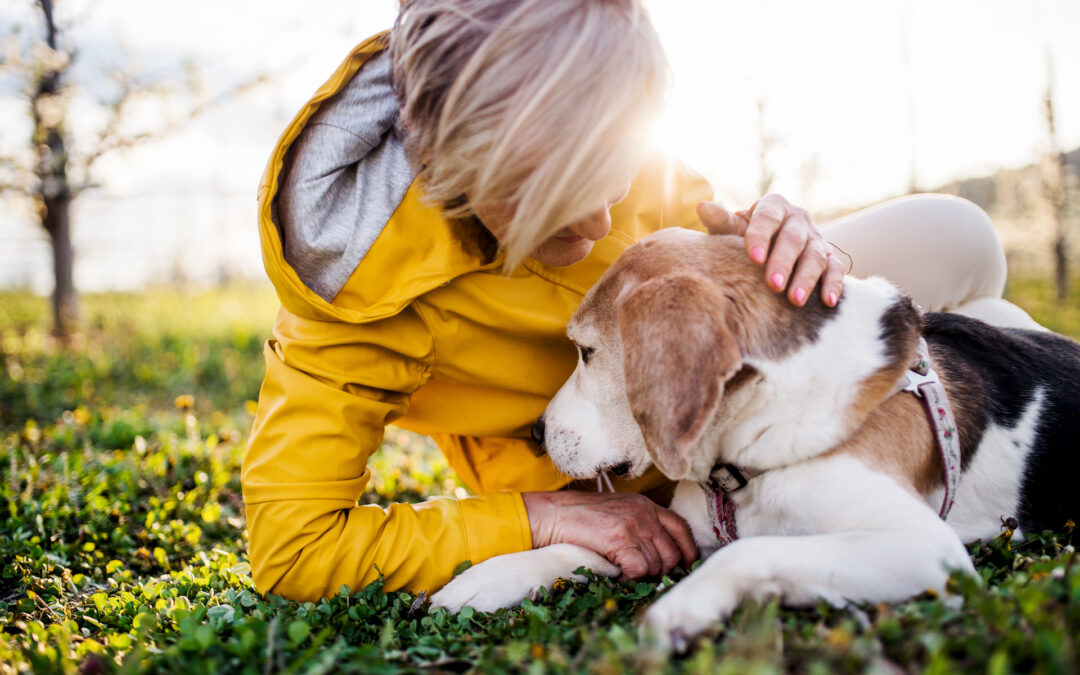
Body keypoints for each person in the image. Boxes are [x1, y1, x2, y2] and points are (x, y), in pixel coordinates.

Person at [242, 0, 1041, 603]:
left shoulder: (601, 119)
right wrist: (536, 518)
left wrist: (780, 248)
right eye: (558, 204)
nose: (600, 225)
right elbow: (293, 548)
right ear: (458, 171)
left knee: (960, 236)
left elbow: (695, 239)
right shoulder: (348, 292)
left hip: (720, 380)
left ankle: (989, 397)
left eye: (614, 178)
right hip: (598, 457)